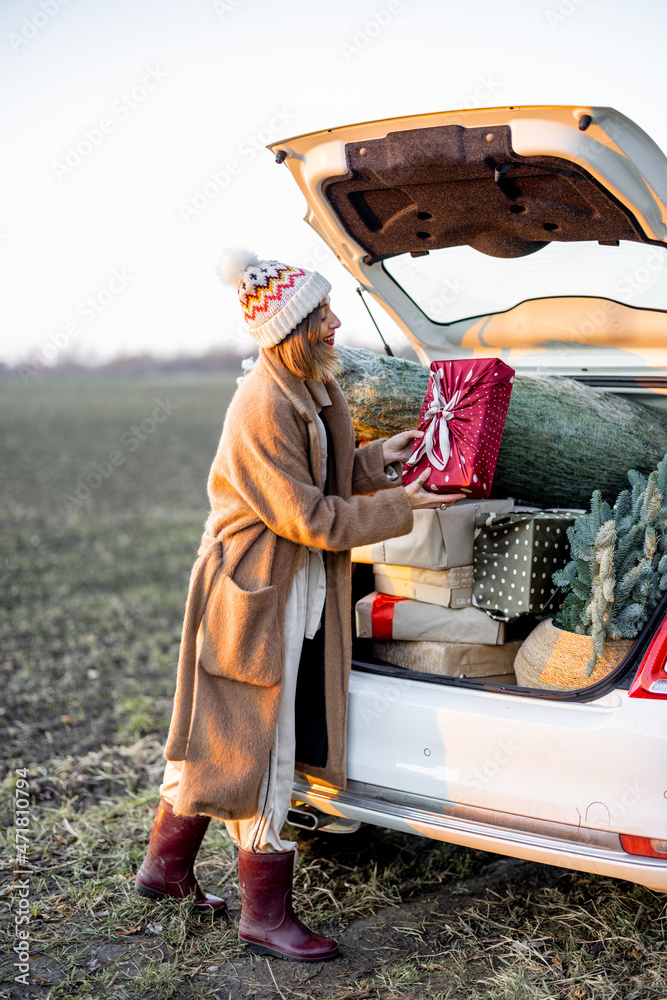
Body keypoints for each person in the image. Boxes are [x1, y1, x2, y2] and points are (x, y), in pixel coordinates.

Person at [134, 249, 465, 961]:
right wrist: (403, 504)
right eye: (322, 315)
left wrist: (380, 461)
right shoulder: (261, 402)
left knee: (218, 733)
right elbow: (309, 517)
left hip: (291, 584)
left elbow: (327, 472)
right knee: (261, 743)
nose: (336, 323)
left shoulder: (312, 388)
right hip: (253, 593)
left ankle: (163, 870)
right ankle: (264, 917)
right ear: (290, 329)